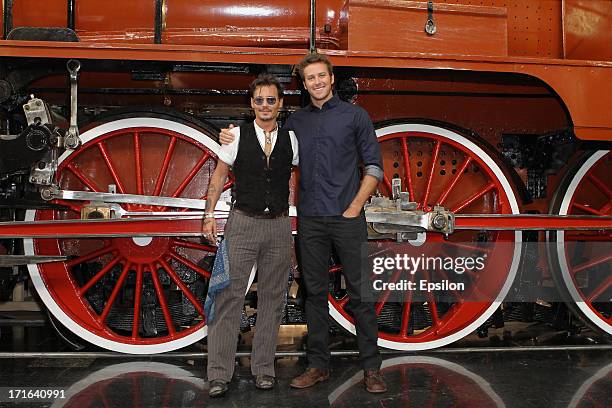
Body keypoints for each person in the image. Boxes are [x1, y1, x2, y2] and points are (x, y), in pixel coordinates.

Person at [219, 53, 387, 393]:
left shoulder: (356, 116)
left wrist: (355, 206)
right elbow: (264, 135)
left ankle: (372, 368)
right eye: (310, 78)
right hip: (310, 220)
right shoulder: (295, 124)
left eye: (321, 76)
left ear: (331, 77)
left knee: (361, 295)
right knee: (315, 295)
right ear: (304, 83)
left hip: (347, 217)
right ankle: (318, 366)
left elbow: (374, 167)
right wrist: (229, 134)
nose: (317, 82)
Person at [203, 73, 299, 398]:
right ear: (252, 104)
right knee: (228, 296)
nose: (265, 106)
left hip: (279, 227)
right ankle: (219, 374)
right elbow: (217, 179)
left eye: (271, 100)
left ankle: (264, 370)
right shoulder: (234, 137)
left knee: (273, 299)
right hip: (242, 223)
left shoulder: (292, 140)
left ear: (280, 105)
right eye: (259, 100)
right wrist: (208, 216)